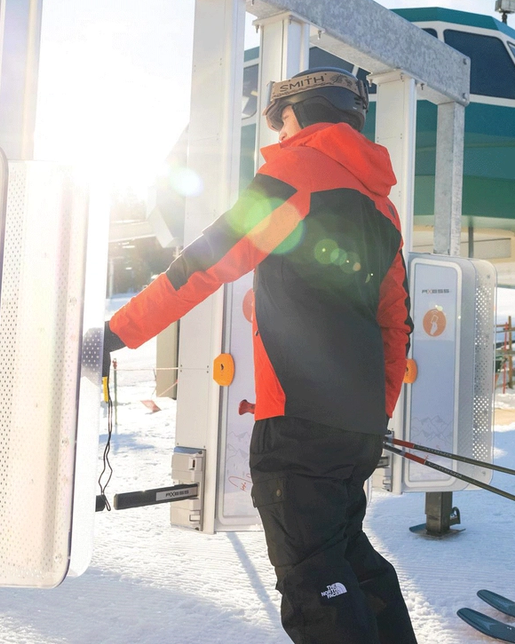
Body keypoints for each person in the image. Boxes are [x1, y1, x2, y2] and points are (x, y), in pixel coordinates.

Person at [102, 67, 418, 644]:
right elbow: (395, 323)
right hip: (356, 427)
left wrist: (116, 334)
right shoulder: (381, 208)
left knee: (313, 580)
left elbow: (204, 261)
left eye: (282, 119)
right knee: (349, 559)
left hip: (297, 422)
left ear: (302, 113)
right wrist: (376, 409)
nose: (279, 132)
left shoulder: (294, 173)